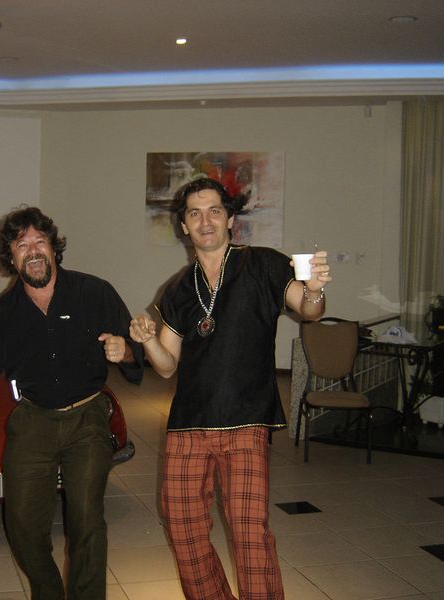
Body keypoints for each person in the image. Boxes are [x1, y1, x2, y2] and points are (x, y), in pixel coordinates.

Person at [129, 178, 331, 600]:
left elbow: (309, 310)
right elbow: (166, 367)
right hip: (188, 425)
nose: (205, 221)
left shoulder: (262, 264)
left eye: (214, 211)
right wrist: (147, 340)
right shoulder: (178, 289)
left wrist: (314, 291)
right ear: (184, 225)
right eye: (195, 213)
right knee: (183, 528)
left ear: (230, 219)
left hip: (246, 420)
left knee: (248, 533)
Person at [0, 206, 144, 600]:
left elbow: (134, 353)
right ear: (11, 258)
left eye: (39, 241)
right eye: (21, 244)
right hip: (32, 419)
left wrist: (125, 351)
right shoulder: (2, 314)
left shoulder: (95, 292)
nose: (32, 250)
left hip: (87, 417)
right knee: (22, 526)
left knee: (87, 522)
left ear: (53, 247)